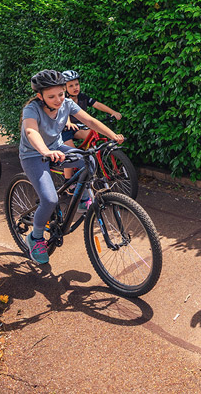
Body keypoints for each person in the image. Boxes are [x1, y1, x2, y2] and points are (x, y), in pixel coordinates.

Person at [20, 69, 124, 265]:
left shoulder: (67, 103)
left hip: (57, 148)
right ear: (39, 96)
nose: (58, 99)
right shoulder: (31, 109)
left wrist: (112, 136)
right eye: (51, 96)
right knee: (50, 200)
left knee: (89, 160)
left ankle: (84, 198)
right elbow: (31, 131)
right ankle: (35, 237)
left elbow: (90, 121)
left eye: (61, 94)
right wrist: (45, 152)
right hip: (34, 154)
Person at [60, 69, 122, 179]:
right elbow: (64, 114)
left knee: (93, 134)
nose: (75, 88)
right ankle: (68, 181)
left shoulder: (82, 97)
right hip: (65, 130)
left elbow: (97, 105)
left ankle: (89, 160)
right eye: (71, 86)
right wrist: (68, 122)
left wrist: (113, 112)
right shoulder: (63, 100)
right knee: (71, 155)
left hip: (78, 128)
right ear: (64, 88)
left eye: (77, 84)